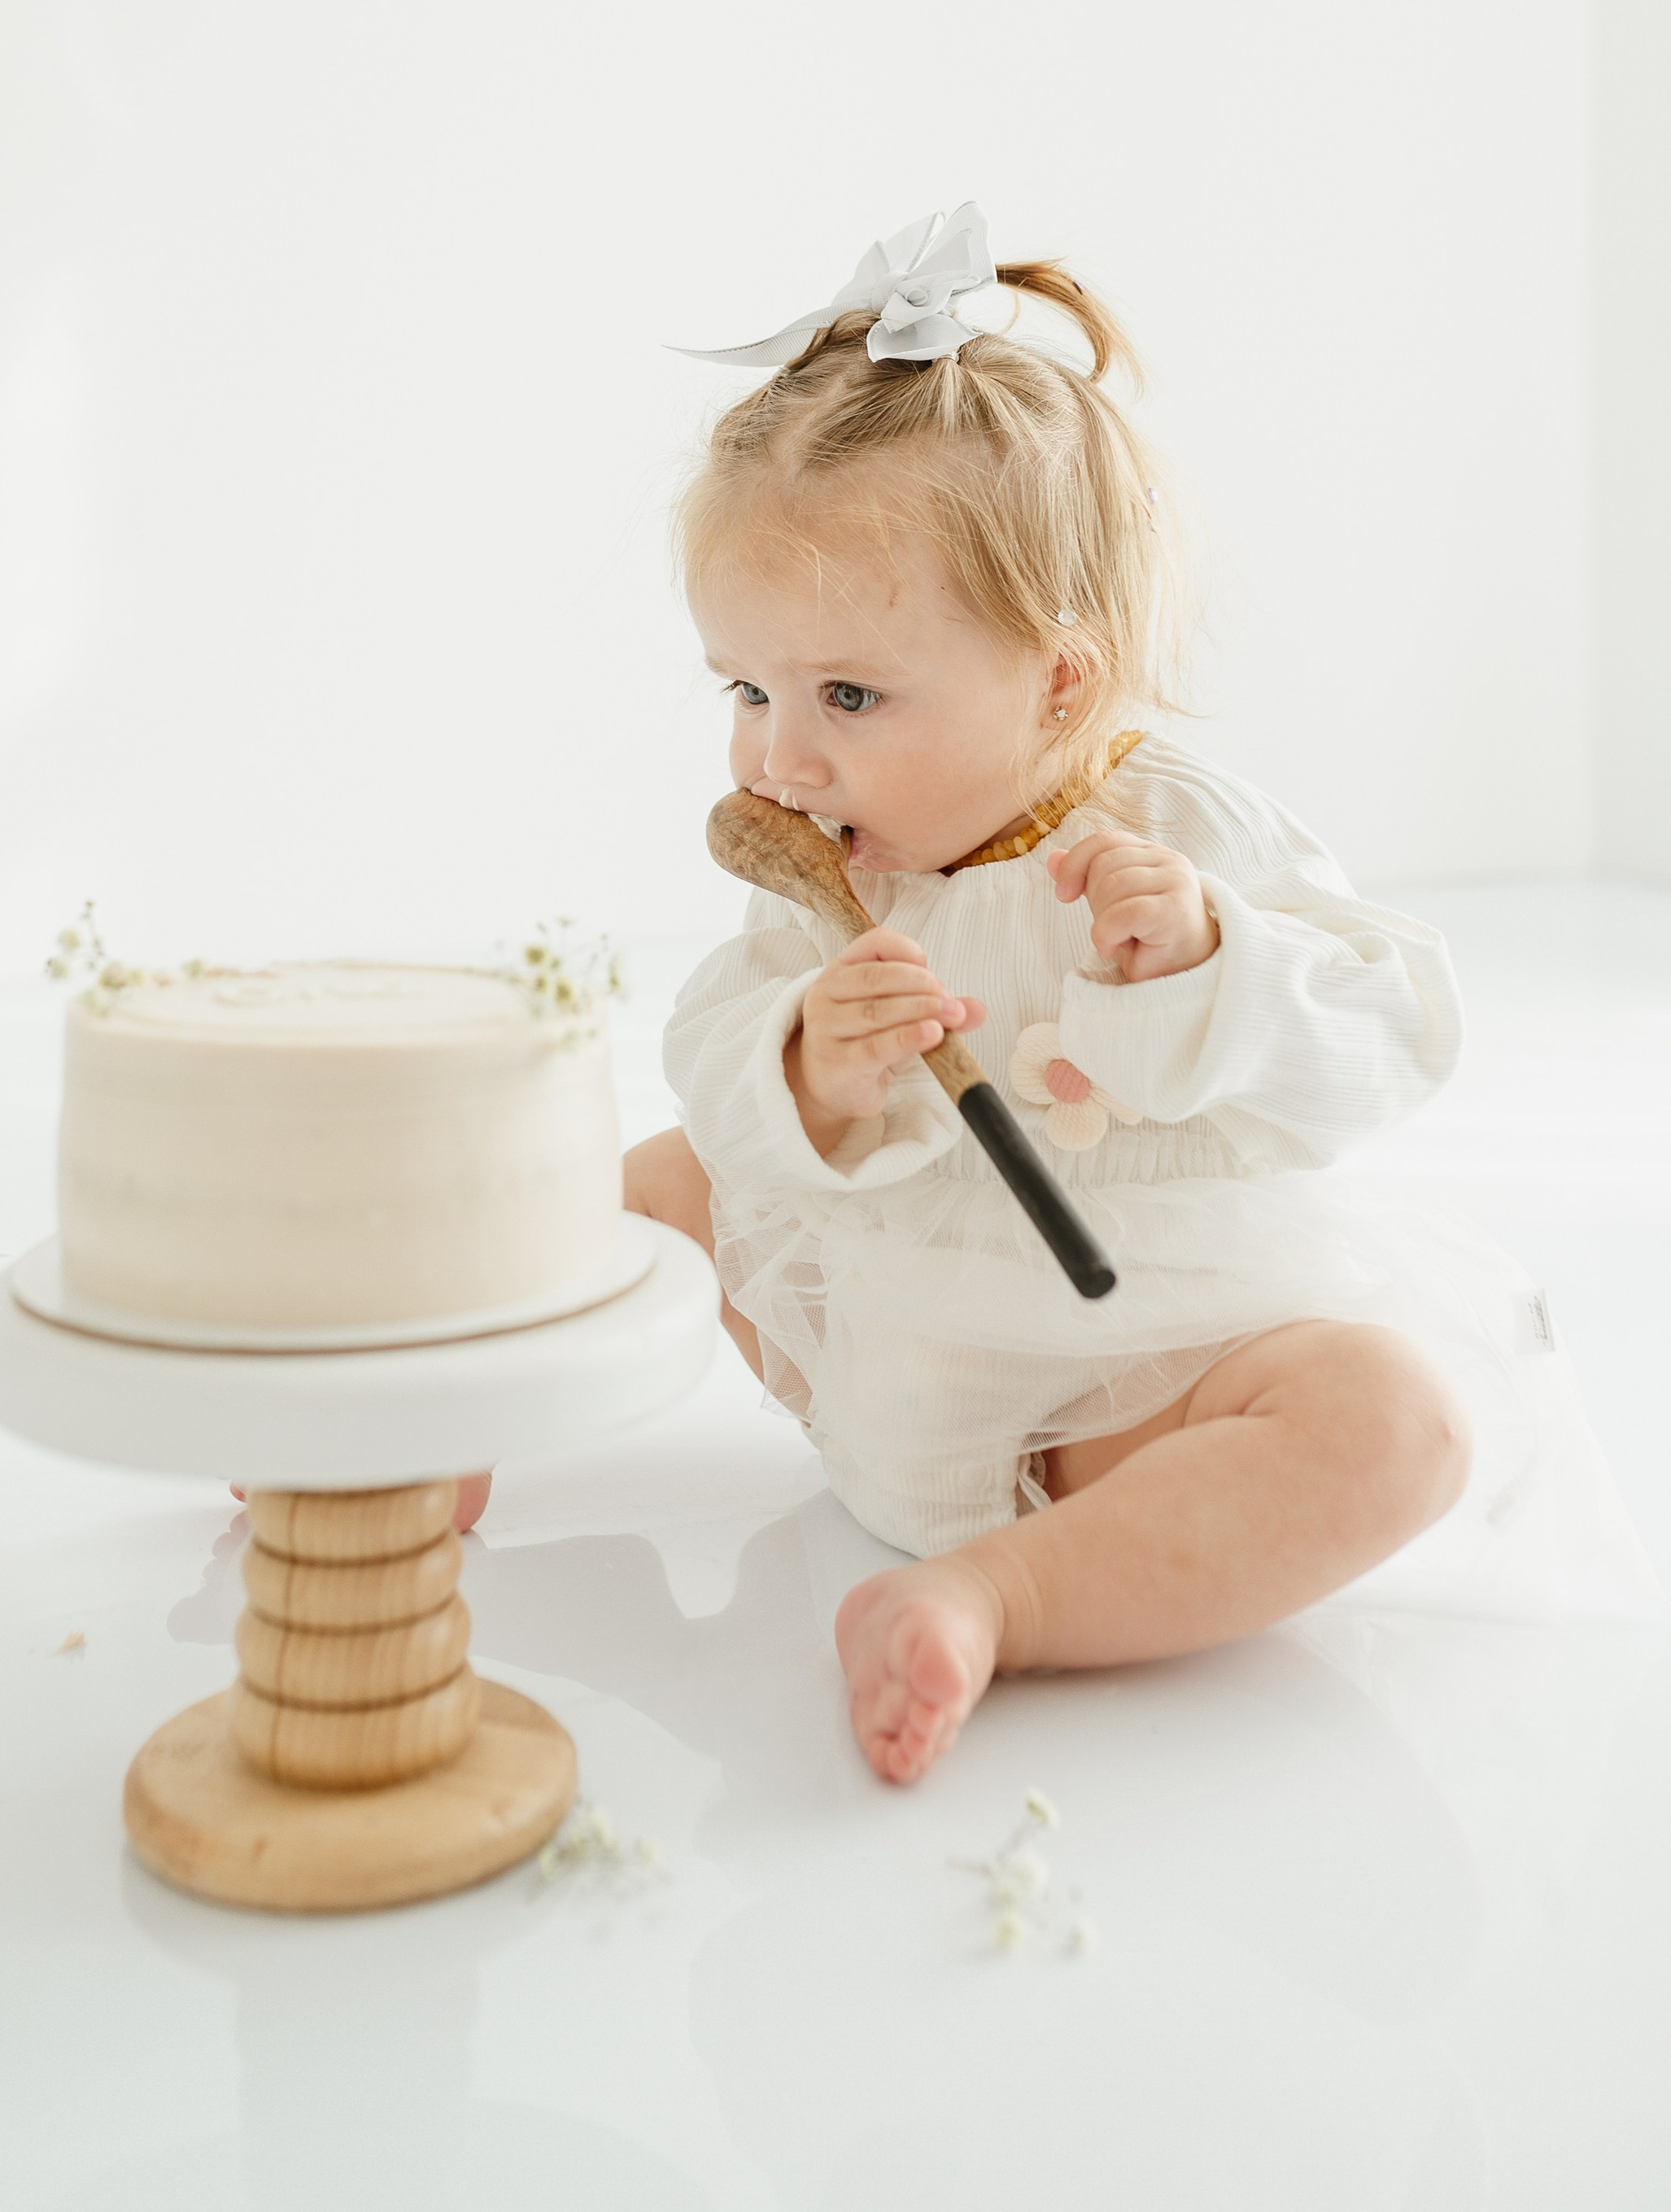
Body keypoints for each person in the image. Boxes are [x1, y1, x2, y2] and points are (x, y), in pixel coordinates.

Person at [630, 203, 1492, 1785]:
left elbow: (1389, 1041)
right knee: (643, 1176)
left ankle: (991, 1598)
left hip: (1100, 1409)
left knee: (1391, 1425)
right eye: (743, 687)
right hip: (857, 1331)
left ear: (1059, 683)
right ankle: (436, 1421)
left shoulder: (1181, 830)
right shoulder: (830, 862)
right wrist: (801, 1071)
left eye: (844, 694)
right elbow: (707, 1038)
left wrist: (1217, 969)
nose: (776, 755)